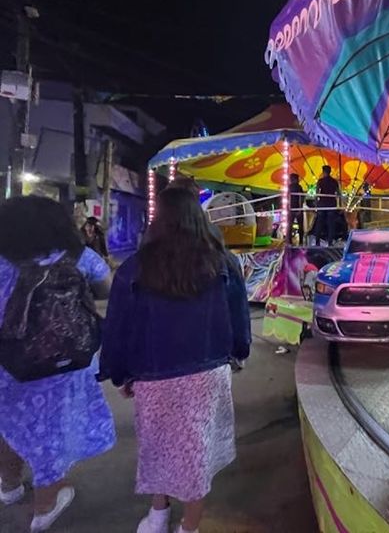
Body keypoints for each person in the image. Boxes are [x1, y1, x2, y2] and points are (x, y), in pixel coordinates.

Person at [100, 187, 251, 533]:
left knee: (157, 444)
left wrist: (119, 372)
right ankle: (189, 526)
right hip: (208, 371)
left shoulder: (136, 266)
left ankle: (157, 514)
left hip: (153, 372)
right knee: (197, 450)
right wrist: (239, 352)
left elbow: (119, 325)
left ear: (158, 219)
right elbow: (239, 317)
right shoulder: (223, 262)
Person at [0, 196, 115, 532]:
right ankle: (45, 505)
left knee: (8, 423)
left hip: (9, 364)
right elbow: (107, 288)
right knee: (53, 431)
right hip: (65, 365)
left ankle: (8, 485)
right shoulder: (79, 257)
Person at [315, 165, 339, 246]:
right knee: (331, 224)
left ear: (323, 172)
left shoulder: (320, 181)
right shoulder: (334, 181)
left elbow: (317, 193)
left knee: (319, 223)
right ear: (330, 172)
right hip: (332, 204)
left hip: (322, 204)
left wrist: (316, 204)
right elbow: (338, 193)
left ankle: (317, 242)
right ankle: (330, 242)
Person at [288, 173, 305, 245]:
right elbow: (301, 198)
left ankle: (289, 241)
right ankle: (301, 241)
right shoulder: (299, 187)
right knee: (300, 225)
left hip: (291, 208)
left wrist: (288, 208)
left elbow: (287, 198)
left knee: (290, 225)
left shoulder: (289, 187)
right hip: (297, 208)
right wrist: (300, 209)